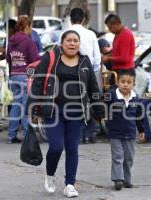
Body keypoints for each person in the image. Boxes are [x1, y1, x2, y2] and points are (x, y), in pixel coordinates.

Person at [28, 30, 102, 198]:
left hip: (76, 112)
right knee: (56, 147)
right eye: (69, 40)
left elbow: (93, 87)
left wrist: (99, 109)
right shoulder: (50, 58)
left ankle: (70, 184)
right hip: (53, 110)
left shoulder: (84, 61)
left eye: (76, 40)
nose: (72, 43)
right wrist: (33, 107)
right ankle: (50, 175)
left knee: (72, 148)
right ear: (62, 43)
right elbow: (38, 83)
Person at [67, 8, 102, 144]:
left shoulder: (64, 33)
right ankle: (89, 135)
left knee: (73, 102)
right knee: (91, 101)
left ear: (70, 18)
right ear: (83, 19)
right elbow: (97, 58)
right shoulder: (91, 34)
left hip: (69, 72)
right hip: (88, 72)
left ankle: (76, 134)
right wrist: (93, 73)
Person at [104, 69, 144, 190]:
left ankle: (127, 179)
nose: (125, 84)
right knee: (118, 156)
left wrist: (141, 130)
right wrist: (104, 119)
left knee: (128, 157)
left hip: (130, 133)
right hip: (115, 133)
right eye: (122, 81)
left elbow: (139, 116)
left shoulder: (135, 99)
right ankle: (118, 179)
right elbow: (102, 108)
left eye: (129, 82)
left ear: (134, 84)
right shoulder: (111, 96)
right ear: (117, 82)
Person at [6, 16, 40, 144]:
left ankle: (11, 135)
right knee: (26, 106)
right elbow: (35, 59)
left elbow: (9, 59)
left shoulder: (11, 41)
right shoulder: (28, 41)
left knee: (16, 105)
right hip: (25, 77)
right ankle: (27, 135)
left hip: (14, 76)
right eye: (30, 27)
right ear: (27, 27)